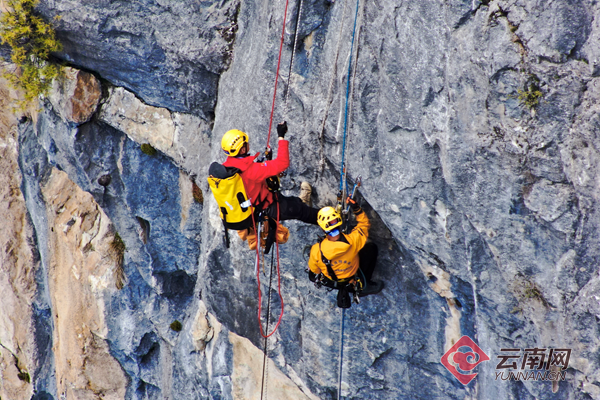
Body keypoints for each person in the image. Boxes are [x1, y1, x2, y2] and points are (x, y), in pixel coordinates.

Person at [220, 122, 319, 230]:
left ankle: (303, 201)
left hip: (255, 205)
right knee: (301, 212)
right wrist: (281, 136)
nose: (248, 143)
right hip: (267, 207)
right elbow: (282, 163)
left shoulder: (227, 168)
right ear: (243, 149)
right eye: (246, 142)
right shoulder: (250, 170)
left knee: (291, 202)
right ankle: (329, 222)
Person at [308, 199, 383, 300]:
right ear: (339, 222)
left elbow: (315, 270)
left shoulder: (316, 250)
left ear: (322, 228)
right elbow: (364, 224)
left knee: (313, 267)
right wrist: (356, 209)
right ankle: (363, 285)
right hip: (351, 277)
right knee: (371, 248)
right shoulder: (354, 240)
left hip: (331, 280)